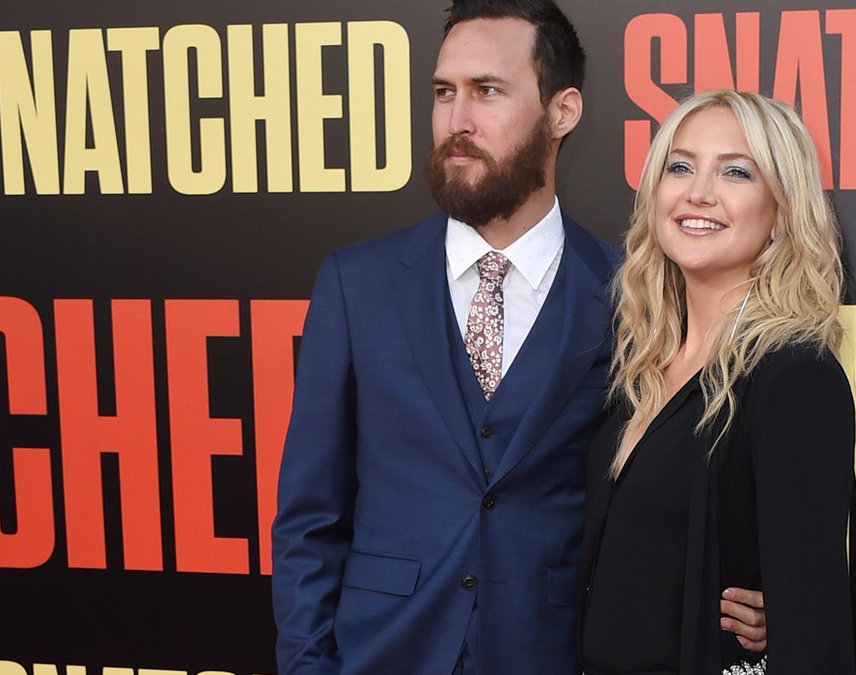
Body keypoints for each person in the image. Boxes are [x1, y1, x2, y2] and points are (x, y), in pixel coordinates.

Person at [271, 2, 766, 673]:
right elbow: (309, 518)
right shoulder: (357, 283)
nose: (457, 121)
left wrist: (758, 589)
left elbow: (673, 487)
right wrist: (306, 664)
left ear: (563, 112)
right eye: (444, 92)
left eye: (488, 91)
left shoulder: (638, 293)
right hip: (382, 651)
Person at [578, 90, 856, 674]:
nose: (698, 191)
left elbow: (814, 628)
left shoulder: (794, 377)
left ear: (781, 212)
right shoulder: (640, 365)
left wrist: (775, 623)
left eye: (736, 172)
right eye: (680, 166)